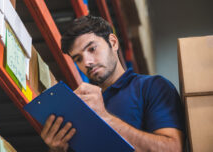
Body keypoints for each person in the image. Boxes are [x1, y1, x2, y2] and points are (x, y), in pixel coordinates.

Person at [40, 15, 185, 152]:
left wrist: (105, 118)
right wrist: (56, 149)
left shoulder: (152, 87)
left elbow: (172, 148)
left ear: (113, 42)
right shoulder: (82, 108)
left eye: (92, 49)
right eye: (78, 59)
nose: (87, 62)